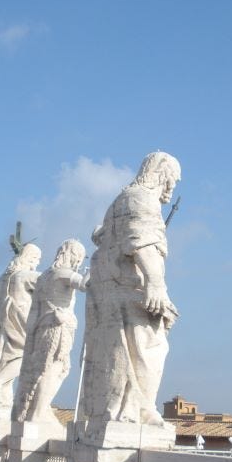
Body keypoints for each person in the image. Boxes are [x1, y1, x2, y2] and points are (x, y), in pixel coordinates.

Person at [81, 151, 180, 426]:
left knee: (117, 352)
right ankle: (139, 409)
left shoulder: (119, 201)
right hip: (130, 292)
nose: (172, 186)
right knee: (149, 347)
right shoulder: (141, 198)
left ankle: (121, 408)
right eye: (173, 178)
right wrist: (155, 284)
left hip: (110, 293)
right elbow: (142, 242)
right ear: (162, 174)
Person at [14, 239, 87, 426]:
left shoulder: (44, 276)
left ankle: (37, 409)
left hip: (42, 326)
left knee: (47, 368)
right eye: (79, 257)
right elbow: (85, 285)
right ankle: (38, 412)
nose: (79, 262)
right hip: (58, 326)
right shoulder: (63, 273)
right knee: (55, 368)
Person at [0, 243, 42, 412]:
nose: (38, 263)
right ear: (30, 258)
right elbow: (47, 281)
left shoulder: (5, 276)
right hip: (16, 321)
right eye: (37, 259)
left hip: (2, 323)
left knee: (6, 359)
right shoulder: (22, 275)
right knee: (27, 355)